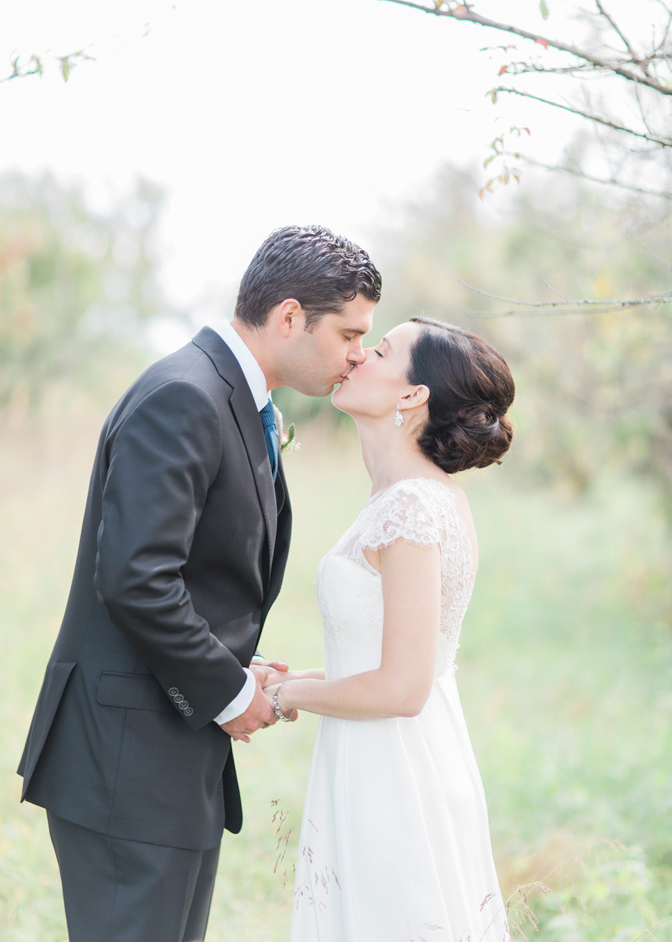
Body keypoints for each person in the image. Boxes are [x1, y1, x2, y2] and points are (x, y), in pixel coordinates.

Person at [16, 225, 381, 941]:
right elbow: (136, 578)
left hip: (166, 762)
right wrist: (230, 690)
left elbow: (191, 572)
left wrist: (231, 663)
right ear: (288, 317)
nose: (358, 353)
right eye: (349, 332)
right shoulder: (185, 395)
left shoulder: (234, 399)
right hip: (125, 767)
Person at [268, 316, 514, 942]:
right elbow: (382, 663)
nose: (354, 359)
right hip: (379, 752)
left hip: (395, 768)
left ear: (412, 396)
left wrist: (283, 695)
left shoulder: (412, 505)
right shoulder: (402, 497)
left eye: (377, 351)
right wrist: (290, 676)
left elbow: (404, 688)